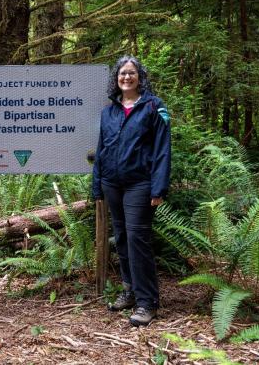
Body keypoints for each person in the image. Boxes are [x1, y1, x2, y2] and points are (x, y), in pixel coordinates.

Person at [92, 55, 171, 326]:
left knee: (138, 240)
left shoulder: (153, 107)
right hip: (112, 183)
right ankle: (129, 289)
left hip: (140, 183)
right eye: (122, 73)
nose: (126, 77)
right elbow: (102, 149)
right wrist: (97, 184)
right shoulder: (109, 111)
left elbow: (162, 150)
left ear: (140, 77)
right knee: (123, 237)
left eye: (131, 73)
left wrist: (159, 187)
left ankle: (147, 302)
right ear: (116, 78)